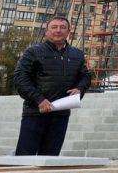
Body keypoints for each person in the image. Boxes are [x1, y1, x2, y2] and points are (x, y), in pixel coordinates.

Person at [12, 16, 91, 155]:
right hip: (36, 112)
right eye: (54, 27)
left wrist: (80, 89)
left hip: (61, 114)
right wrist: (39, 99)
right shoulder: (33, 52)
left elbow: (85, 76)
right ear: (46, 31)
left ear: (68, 32)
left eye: (62, 28)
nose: (58, 31)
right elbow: (20, 78)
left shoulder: (77, 54)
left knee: (50, 159)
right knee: (24, 158)